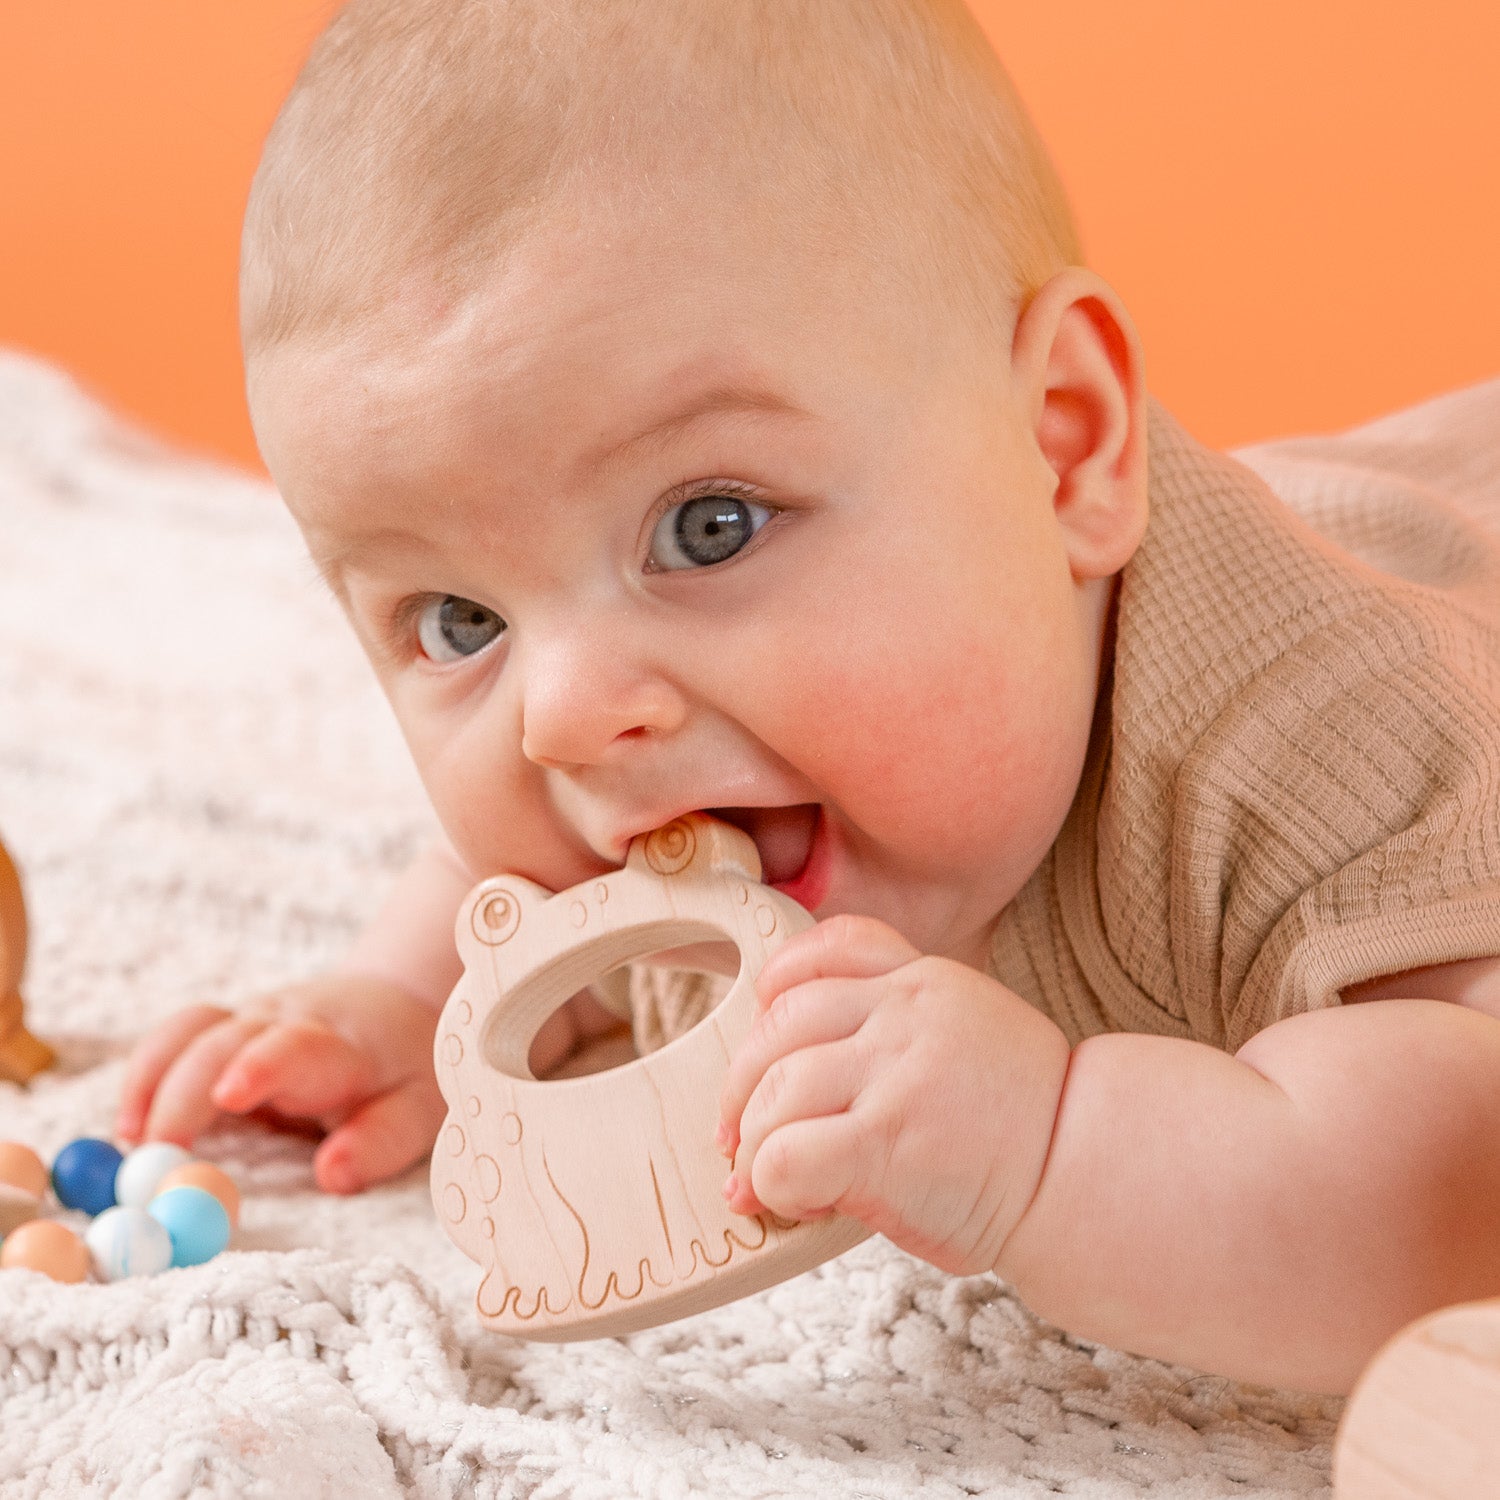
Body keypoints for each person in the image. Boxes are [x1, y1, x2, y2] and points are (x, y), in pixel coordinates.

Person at [116, 0, 1500, 1394]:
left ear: (1062, 452)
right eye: (460, 620)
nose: (568, 715)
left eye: (709, 525)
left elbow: (1461, 1199)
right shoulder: (673, 766)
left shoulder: (1322, 750)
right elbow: (520, 892)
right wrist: (404, 1002)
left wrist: (1048, 1146)